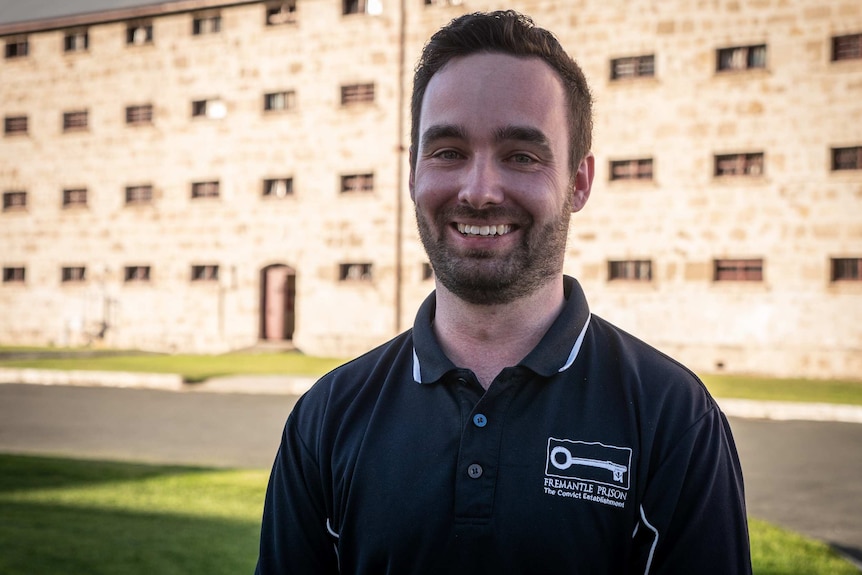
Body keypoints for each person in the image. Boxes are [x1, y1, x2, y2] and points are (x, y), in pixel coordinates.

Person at [255, 10, 752, 574]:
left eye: (521, 155)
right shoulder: (327, 416)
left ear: (579, 181)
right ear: (412, 174)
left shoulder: (673, 416)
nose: (479, 190)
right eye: (447, 151)